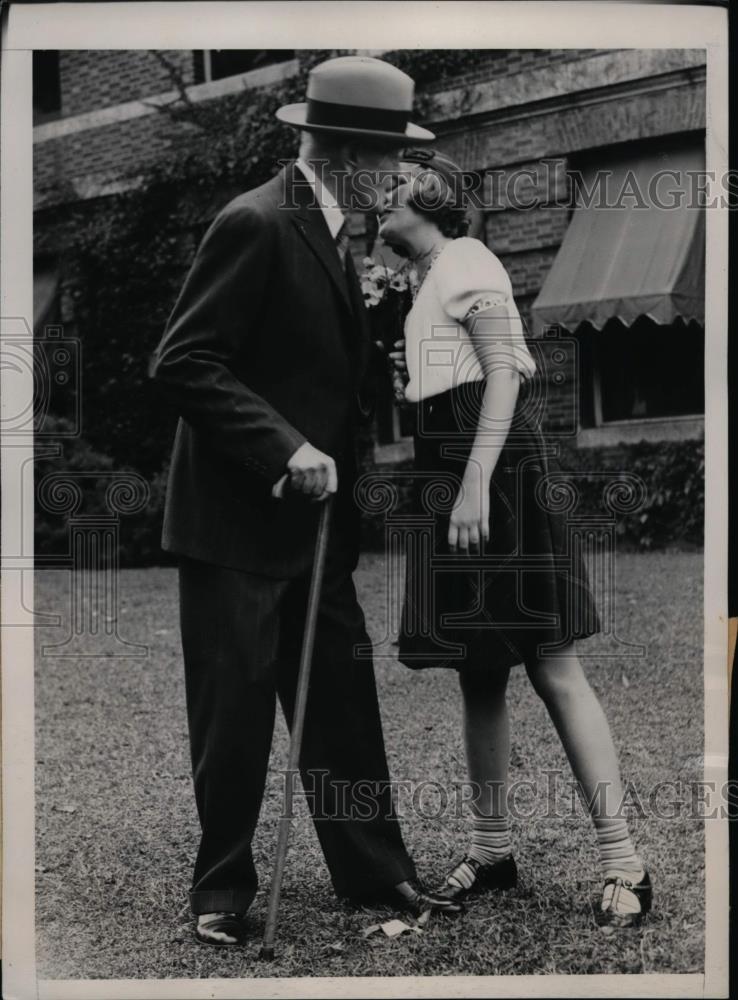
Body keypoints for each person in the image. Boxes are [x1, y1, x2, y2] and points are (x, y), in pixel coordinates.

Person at [149, 57, 463, 947]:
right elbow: (184, 362)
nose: (399, 176)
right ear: (347, 151)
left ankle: (379, 874)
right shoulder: (254, 222)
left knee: (342, 706)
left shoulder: (333, 230)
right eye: (391, 157)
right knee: (235, 714)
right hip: (234, 524)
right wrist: (283, 445)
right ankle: (221, 896)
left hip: (318, 529)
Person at [380, 149, 652, 929]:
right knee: (479, 669)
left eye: (392, 189)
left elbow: (505, 373)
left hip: (490, 471)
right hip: (454, 466)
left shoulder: (466, 257)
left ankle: (626, 864)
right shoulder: (428, 276)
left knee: (552, 663)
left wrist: (472, 483)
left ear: (430, 198)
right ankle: (492, 850)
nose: (378, 202)